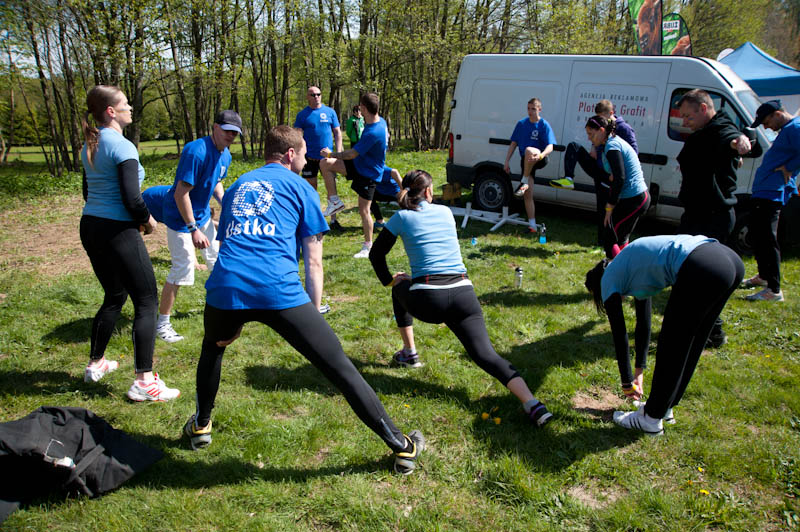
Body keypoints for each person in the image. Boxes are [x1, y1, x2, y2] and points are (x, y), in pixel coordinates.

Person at [182, 125, 424, 475]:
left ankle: (201, 425)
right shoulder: (302, 188)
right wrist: (314, 315)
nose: (308, 158)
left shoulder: (237, 186)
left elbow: (230, 239)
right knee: (339, 366)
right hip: (278, 289)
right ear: (290, 154)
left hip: (225, 286)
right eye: (305, 151)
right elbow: (313, 261)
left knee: (214, 347)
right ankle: (403, 446)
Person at [368, 169, 553, 427]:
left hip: (428, 300)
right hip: (463, 295)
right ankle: (532, 403)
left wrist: (390, 280)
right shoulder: (446, 212)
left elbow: (376, 255)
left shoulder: (400, 217)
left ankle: (410, 353)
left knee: (399, 287)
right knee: (487, 355)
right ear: (429, 191)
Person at [584, 235, 744, 435]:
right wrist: (638, 373)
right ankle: (665, 407)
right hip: (728, 261)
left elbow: (620, 333)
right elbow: (643, 325)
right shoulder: (631, 267)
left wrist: (626, 382)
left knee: (672, 346)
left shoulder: (608, 278)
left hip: (702, 265)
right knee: (691, 343)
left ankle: (650, 419)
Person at [79, 85, 179, 402]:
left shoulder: (91, 144)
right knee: (147, 301)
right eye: (125, 104)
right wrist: (149, 221)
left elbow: (87, 192)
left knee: (115, 294)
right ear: (111, 111)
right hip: (117, 230)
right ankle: (144, 381)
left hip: (91, 226)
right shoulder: (122, 146)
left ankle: (96, 363)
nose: (130, 108)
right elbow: (132, 198)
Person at [676, 89, 754, 347]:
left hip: (712, 218)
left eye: (688, 116)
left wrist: (739, 142)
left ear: (703, 108)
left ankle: (713, 331)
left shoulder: (720, 127)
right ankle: (694, 325)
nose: (684, 121)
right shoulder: (704, 132)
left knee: (705, 277)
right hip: (696, 215)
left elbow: (731, 137)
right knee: (687, 271)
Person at [155, 110, 241, 343]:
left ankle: (223, 308)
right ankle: (162, 324)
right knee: (183, 269)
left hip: (202, 216)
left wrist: (224, 202)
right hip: (180, 218)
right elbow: (181, 193)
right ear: (215, 127)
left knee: (217, 261)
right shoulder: (196, 151)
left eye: (235, 133)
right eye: (227, 131)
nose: (231, 136)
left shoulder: (225, 155)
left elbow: (216, 181)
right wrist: (193, 229)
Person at [741, 100, 799, 302]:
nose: (766, 127)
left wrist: (790, 167)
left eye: (766, 122)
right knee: (758, 235)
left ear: (777, 114)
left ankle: (774, 290)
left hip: (772, 193)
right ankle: (764, 276)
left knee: (767, 239)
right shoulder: (788, 130)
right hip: (765, 191)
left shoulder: (795, 128)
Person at [319, 92, 388, 258]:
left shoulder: (374, 132)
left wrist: (331, 154)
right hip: (360, 164)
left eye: (360, 106)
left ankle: (368, 247)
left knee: (364, 210)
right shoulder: (380, 121)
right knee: (325, 164)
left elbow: (351, 154)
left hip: (368, 173)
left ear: (364, 108)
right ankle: (334, 202)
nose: (359, 109)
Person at [560, 100, 639, 244]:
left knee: (607, 211)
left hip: (612, 176)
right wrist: (593, 147)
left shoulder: (623, 129)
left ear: (611, 113)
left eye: (603, 117)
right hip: (600, 171)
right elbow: (595, 139)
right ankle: (568, 179)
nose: (600, 121)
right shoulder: (600, 130)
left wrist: (617, 171)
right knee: (574, 147)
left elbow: (633, 152)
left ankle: (608, 243)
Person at [584, 115, 650, 258]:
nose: (589, 138)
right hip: (636, 197)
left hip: (635, 198)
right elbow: (615, 176)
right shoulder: (610, 143)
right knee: (620, 238)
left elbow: (619, 178)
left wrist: (610, 206)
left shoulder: (612, 146)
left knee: (610, 237)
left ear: (602, 130)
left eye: (591, 134)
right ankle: (623, 267)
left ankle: (615, 268)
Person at [294, 86, 344, 231]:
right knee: (311, 190)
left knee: (331, 188)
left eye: (318, 94)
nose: (316, 97)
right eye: (313, 95)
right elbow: (297, 136)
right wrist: (300, 154)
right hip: (309, 159)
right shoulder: (302, 115)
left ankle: (333, 220)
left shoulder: (330, 112)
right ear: (307, 97)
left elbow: (337, 133)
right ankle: (314, 220)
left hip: (327, 159)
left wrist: (338, 153)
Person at [503, 97, 556, 234]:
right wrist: (507, 161)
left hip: (539, 158)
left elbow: (550, 146)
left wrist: (541, 155)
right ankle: (532, 226)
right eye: (528, 109)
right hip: (526, 161)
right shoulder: (521, 124)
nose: (530, 112)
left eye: (533, 109)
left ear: (539, 109)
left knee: (529, 150)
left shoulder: (544, 125)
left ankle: (524, 180)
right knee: (527, 193)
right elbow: (513, 144)